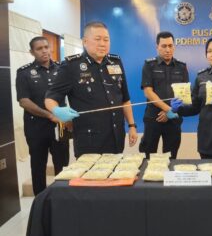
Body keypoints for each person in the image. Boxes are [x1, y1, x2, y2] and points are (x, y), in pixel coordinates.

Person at [45, 21, 138, 157]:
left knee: (115, 176)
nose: (102, 44)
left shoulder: (116, 63)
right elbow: (50, 98)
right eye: (97, 39)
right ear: (85, 41)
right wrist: (56, 110)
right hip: (88, 140)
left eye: (106, 40)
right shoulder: (71, 66)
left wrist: (131, 126)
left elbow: (125, 99)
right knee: (90, 178)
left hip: (116, 136)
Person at [16, 36, 70, 195]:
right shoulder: (24, 73)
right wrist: (49, 115)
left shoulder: (62, 69)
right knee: (38, 166)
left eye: (46, 47)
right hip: (36, 128)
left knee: (63, 164)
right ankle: (40, 202)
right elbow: (24, 101)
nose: (44, 51)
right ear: (31, 52)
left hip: (60, 125)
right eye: (39, 49)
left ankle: (63, 198)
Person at [139, 31, 188, 159]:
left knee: (171, 156)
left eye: (170, 46)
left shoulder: (182, 67)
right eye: (164, 46)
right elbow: (148, 92)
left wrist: (170, 113)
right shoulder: (149, 65)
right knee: (149, 156)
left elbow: (184, 93)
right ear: (157, 47)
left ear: (174, 47)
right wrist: (167, 109)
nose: (168, 49)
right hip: (153, 118)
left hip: (173, 119)